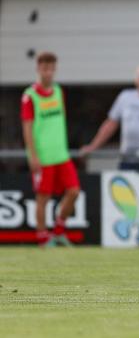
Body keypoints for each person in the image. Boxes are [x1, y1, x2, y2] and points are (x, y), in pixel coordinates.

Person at [20, 52, 79, 247]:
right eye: (44, 68)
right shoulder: (29, 97)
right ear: (38, 69)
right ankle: (42, 238)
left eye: (51, 68)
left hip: (61, 154)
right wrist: (33, 156)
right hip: (43, 156)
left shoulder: (58, 91)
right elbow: (27, 127)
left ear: (55, 69)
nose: (48, 72)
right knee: (43, 198)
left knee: (74, 191)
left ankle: (59, 230)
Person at [80, 64, 139, 170]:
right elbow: (111, 124)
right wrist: (93, 146)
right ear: (136, 79)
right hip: (128, 159)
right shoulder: (125, 97)